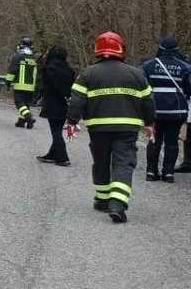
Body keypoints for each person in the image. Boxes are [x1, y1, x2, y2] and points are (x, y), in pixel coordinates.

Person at [66, 32, 156, 223]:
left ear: (98, 49)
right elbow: (148, 102)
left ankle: (102, 200)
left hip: (98, 128)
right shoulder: (137, 74)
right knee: (124, 163)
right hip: (127, 128)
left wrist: (72, 122)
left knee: (101, 161)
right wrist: (149, 123)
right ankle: (117, 204)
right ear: (121, 49)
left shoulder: (87, 74)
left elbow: (76, 101)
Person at [140, 37, 191, 182]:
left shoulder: (148, 65)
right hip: (176, 111)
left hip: (155, 110)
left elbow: (144, 87)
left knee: (154, 140)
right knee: (172, 142)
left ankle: (151, 172)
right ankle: (168, 173)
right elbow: (188, 90)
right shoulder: (184, 67)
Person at [36, 45, 75, 166]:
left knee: (56, 132)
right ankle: (52, 154)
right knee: (57, 129)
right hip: (65, 104)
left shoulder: (49, 69)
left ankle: (62, 158)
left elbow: (44, 85)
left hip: (52, 103)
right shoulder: (69, 69)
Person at [5, 37, 39, 129]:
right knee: (26, 104)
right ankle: (22, 121)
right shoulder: (34, 58)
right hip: (31, 86)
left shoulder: (18, 57)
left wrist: (8, 82)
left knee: (19, 103)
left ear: (21, 45)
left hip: (20, 86)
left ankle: (29, 117)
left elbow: (12, 71)